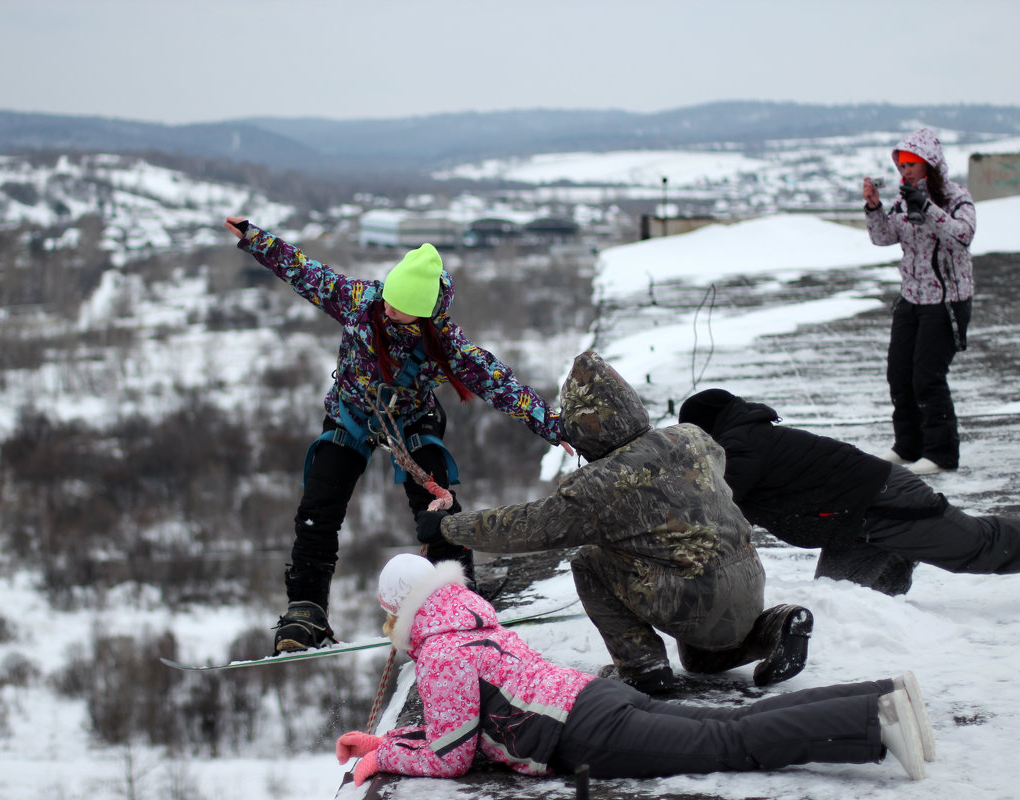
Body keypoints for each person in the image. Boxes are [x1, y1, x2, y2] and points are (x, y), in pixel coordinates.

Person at [223, 217, 572, 654]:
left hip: (410, 420)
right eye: (389, 299)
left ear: (424, 313)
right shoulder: (360, 301)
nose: (388, 309)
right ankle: (305, 609)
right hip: (352, 415)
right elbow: (303, 270)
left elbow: (497, 382)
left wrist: (550, 424)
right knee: (319, 508)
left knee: (438, 508)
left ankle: (460, 599)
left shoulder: (443, 341)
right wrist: (256, 239)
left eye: (400, 307)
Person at [335, 553, 934, 786]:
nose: (390, 630)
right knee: (730, 725)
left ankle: (875, 724)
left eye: (389, 617)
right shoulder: (469, 624)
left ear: (401, 609)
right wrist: (388, 739)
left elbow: (451, 755)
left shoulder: (439, 654)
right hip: (593, 702)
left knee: (729, 742)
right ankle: (882, 696)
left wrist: (384, 758)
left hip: (587, 733)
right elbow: (455, 723)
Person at [417, 349, 812, 693]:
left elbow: (531, 526)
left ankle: (643, 667)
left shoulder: (600, 484)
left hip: (692, 599)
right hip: (747, 583)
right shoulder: (692, 437)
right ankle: (776, 626)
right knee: (698, 661)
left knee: (590, 560)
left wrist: (449, 527)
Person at [678, 388, 1020, 596]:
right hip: (853, 525)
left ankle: (906, 547)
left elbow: (714, 505)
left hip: (887, 501)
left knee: (979, 547)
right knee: (841, 598)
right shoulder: (744, 440)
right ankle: (898, 555)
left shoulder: (741, 447)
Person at [862, 127, 976, 475]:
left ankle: (941, 454)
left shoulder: (956, 197)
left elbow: (963, 235)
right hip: (911, 298)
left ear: (931, 164)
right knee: (899, 375)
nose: (905, 169)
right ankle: (908, 446)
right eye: (901, 164)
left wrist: (927, 207)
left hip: (946, 301)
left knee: (927, 377)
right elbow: (883, 238)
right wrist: (874, 207)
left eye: (912, 163)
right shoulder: (900, 200)